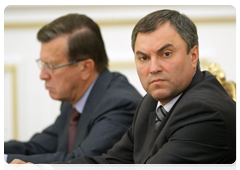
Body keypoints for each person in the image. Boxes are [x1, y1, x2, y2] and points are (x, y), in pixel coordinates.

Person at [9, 9, 238, 170]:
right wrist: (44, 169)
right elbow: (110, 163)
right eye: (143, 57)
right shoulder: (152, 102)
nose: (153, 68)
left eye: (166, 54)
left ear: (193, 55)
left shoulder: (204, 112)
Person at [4, 13, 142, 164]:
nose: (42, 75)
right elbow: (37, 147)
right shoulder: (74, 99)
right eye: (42, 64)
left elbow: (79, 162)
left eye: (50, 66)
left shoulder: (119, 104)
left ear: (85, 67)